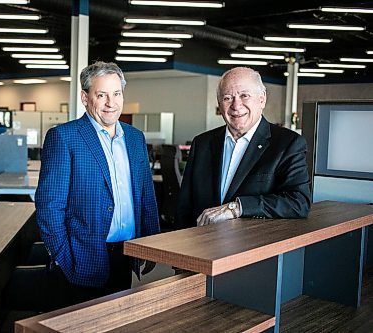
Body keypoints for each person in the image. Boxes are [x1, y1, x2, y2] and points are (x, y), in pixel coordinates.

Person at [35, 61, 160, 309]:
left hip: (126, 254)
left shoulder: (135, 138)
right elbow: (49, 206)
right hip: (80, 257)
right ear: (85, 97)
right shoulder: (64, 137)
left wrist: (152, 244)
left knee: (116, 323)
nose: (110, 103)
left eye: (116, 94)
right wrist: (63, 257)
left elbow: (146, 195)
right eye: (101, 95)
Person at [176, 67, 311, 228]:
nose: (236, 105)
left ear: (262, 99)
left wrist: (238, 207)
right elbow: (185, 206)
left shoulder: (288, 143)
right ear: (219, 103)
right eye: (227, 98)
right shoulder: (202, 143)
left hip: (252, 248)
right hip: (201, 246)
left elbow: (298, 202)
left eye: (244, 95)